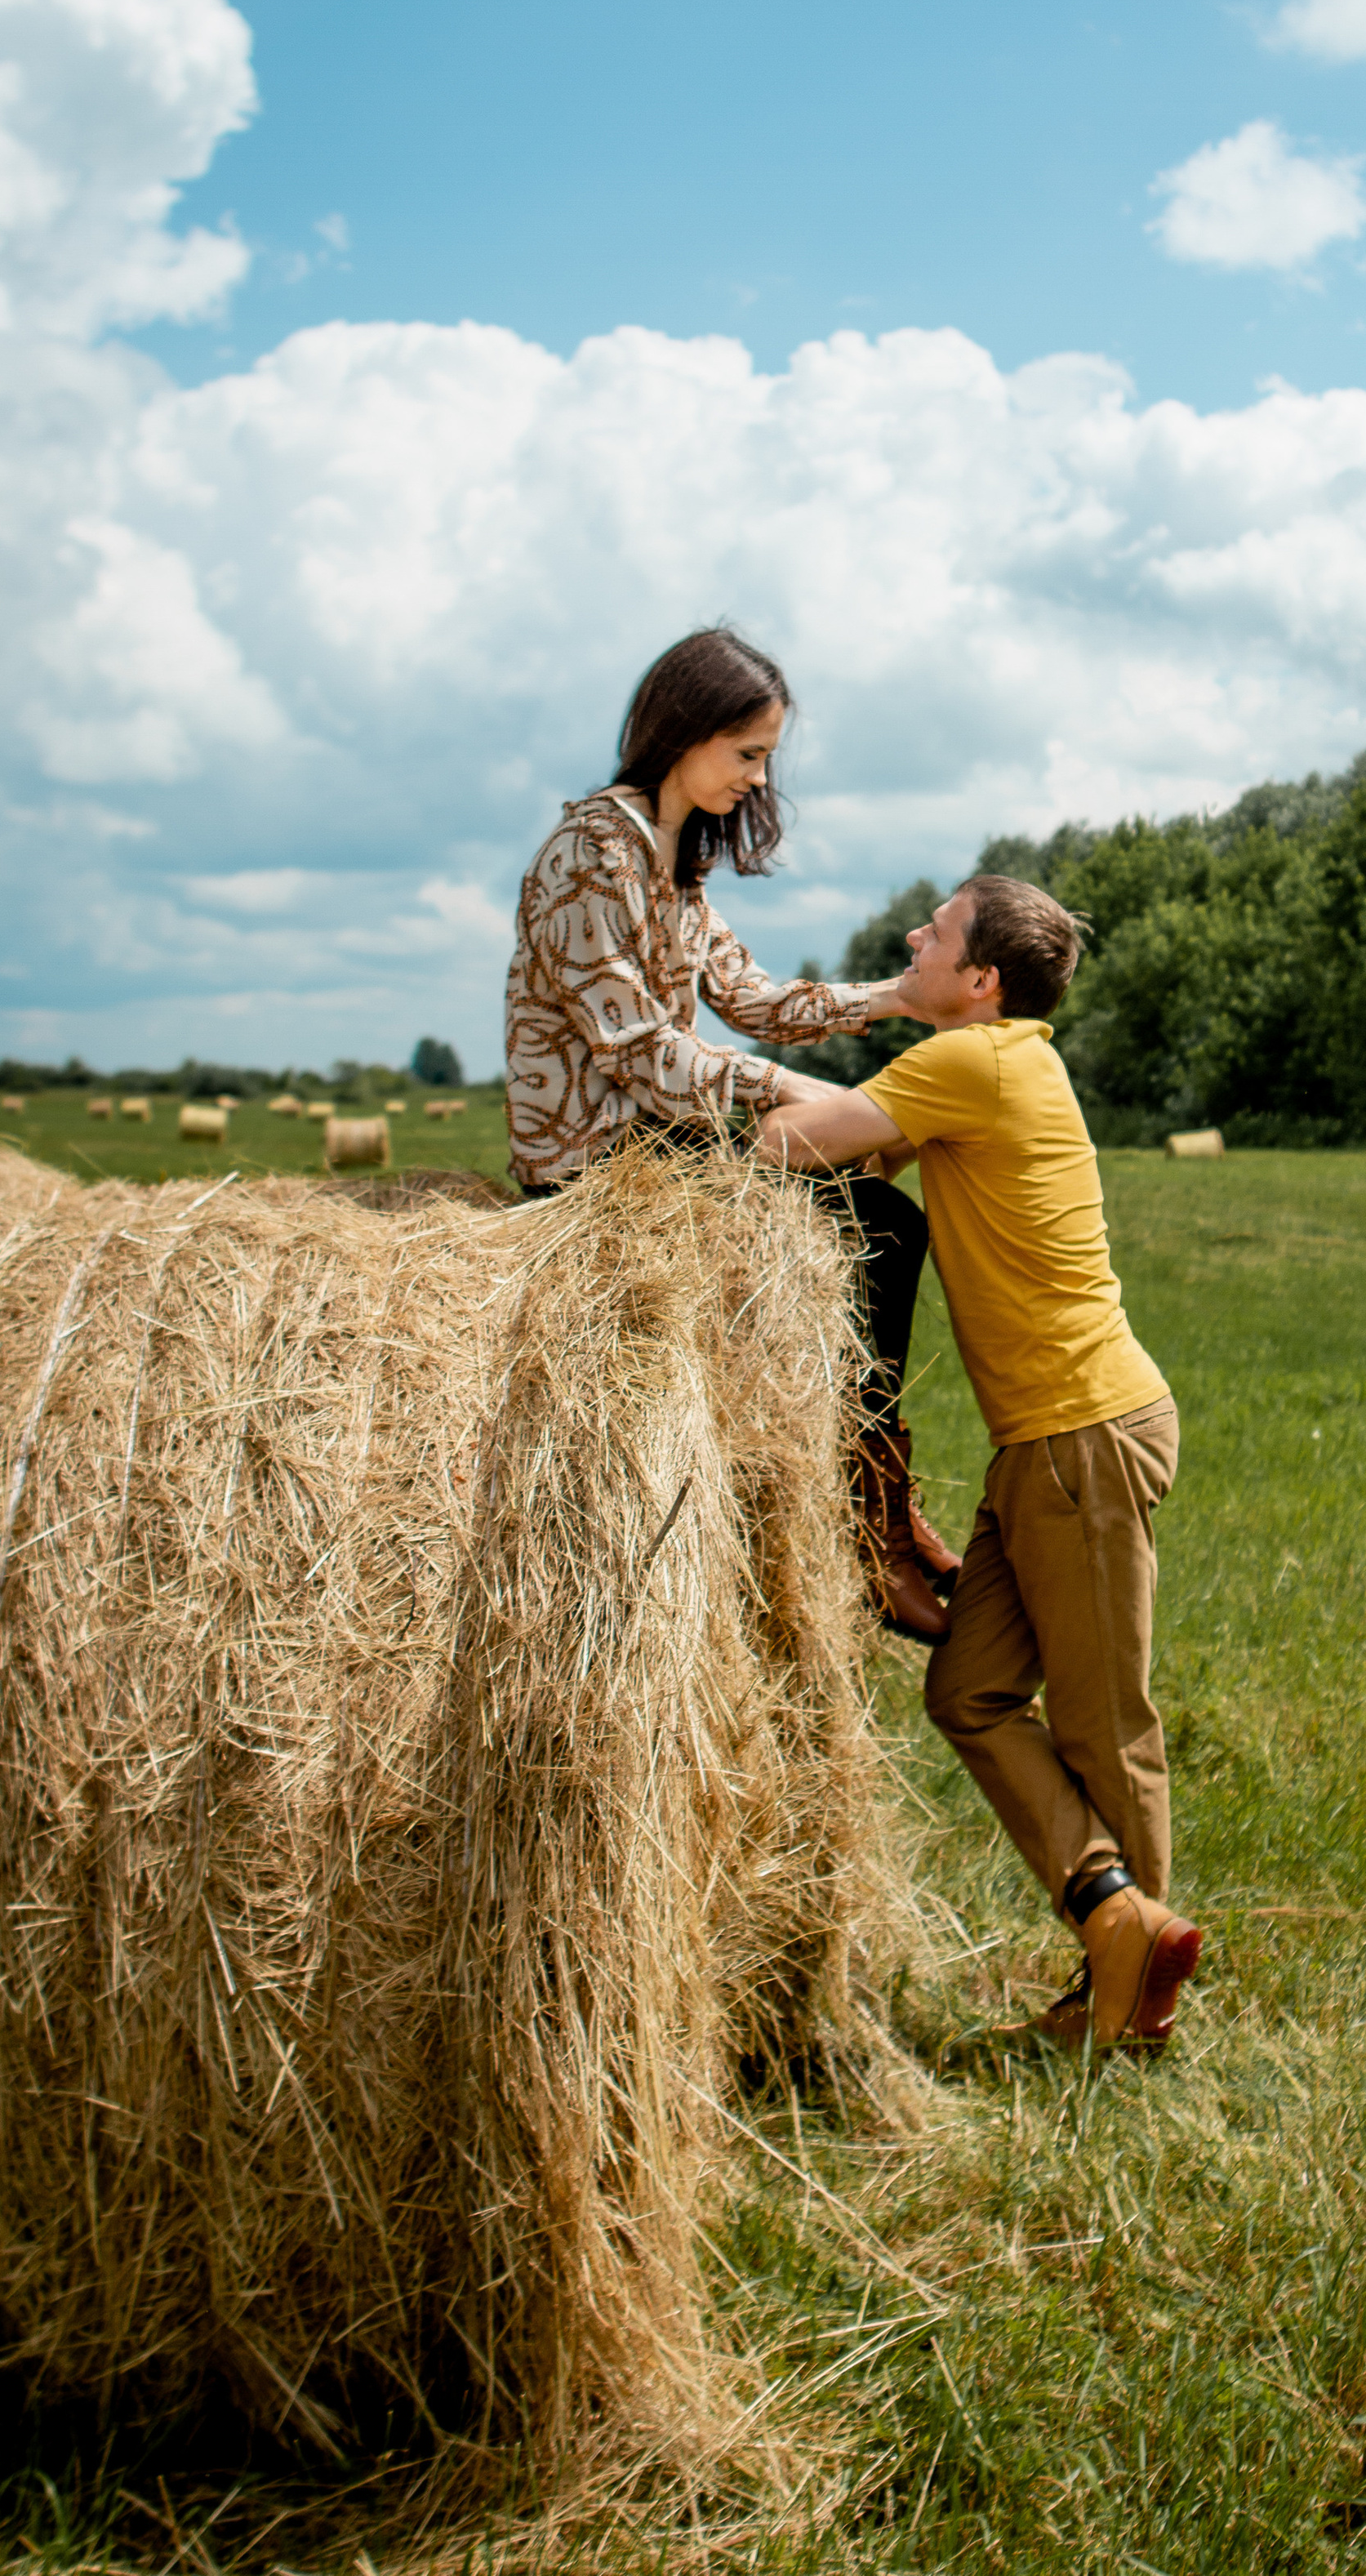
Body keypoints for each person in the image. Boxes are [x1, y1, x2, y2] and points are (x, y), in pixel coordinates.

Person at [754, 875, 1199, 2057]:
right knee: (969, 1691)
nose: (913, 937)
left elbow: (788, 1140)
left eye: (937, 931)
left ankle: (1131, 2006)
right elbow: (875, 1159)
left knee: (1107, 1728)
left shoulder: (973, 1064)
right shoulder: (994, 1068)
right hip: (1043, 1449)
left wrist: (704, 1083)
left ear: (982, 979)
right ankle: (1116, 1920)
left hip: (1081, 1436)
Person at [504, 623, 958, 1640]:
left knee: (876, 1208)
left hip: (657, 1139)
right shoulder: (592, 850)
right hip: (593, 1155)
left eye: (767, 760)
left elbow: (751, 999)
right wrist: (787, 1090)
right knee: (880, 1225)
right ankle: (867, 1519)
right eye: (747, 754)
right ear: (684, 729)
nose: (758, 782)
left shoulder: (677, 866)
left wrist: (895, 996)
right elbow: (635, 1047)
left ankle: (875, 1496)